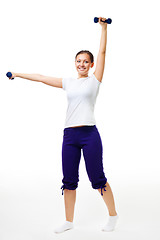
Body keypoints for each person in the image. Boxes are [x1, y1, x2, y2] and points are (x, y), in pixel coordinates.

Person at [8, 17, 118, 233]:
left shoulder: (94, 80)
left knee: (97, 178)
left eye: (86, 61)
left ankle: (113, 216)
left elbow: (103, 53)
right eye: (79, 61)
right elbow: (41, 77)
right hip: (69, 137)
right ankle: (68, 221)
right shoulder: (68, 82)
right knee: (68, 180)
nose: (82, 64)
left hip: (89, 135)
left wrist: (103, 28)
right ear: (74, 62)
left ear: (92, 64)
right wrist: (18, 74)